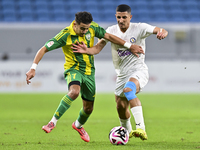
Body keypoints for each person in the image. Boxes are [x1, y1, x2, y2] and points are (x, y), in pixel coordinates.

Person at [25, 11, 144, 142]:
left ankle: (78, 126)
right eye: (82, 28)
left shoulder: (92, 28)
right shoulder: (65, 35)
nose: (85, 31)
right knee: (74, 92)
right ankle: (52, 122)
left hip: (89, 72)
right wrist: (33, 68)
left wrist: (129, 45)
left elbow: (109, 36)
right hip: (73, 69)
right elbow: (43, 49)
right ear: (75, 24)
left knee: (88, 108)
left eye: (87, 28)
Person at [72, 5, 168, 141]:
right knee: (120, 106)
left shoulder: (140, 27)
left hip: (138, 70)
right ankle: (127, 133)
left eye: (124, 17)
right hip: (122, 74)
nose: (121, 20)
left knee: (129, 90)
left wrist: (162, 32)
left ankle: (141, 129)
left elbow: (159, 29)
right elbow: (98, 48)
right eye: (118, 17)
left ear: (130, 17)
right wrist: (86, 50)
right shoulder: (111, 30)